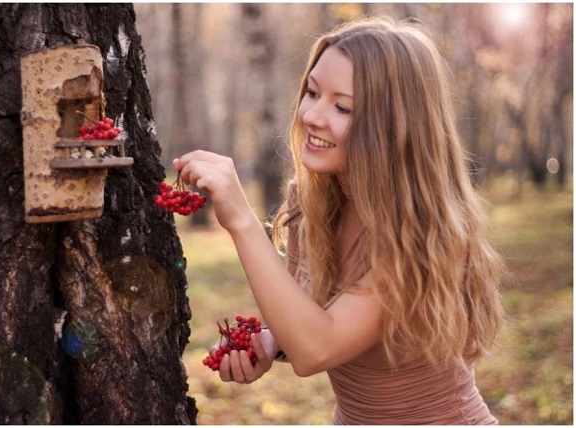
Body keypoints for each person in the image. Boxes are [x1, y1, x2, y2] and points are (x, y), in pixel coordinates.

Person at [173, 16, 505, 425]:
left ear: (393, 126)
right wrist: (273, 341)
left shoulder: (418, 232)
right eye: (311, 92)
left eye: (342, 106)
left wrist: (241, 219)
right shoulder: (312, 203)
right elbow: (313, 317)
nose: (311, 114)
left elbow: (318, 347)